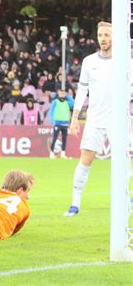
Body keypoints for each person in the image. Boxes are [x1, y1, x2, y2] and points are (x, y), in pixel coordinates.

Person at [64, 22, 112, 217]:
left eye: (107, 35)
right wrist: (75, 118)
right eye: (100, 34)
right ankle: (75, 204)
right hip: (94, 119)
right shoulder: (89, 61)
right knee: (85, 159)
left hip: (118, 119)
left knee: (124, 160)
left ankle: (128, 197)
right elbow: (82, 90)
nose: (103, 38)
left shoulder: (126, 61)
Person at [48, 89, 74, 159]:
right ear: (58, 93)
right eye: (61, 93)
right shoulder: (55, 102)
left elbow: (73, 103)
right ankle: (51, 153)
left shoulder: (67, 102)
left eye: (63, 93)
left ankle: (63, 154)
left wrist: (68, 95)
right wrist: (52, 120)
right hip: (57, 122)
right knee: (54, 138)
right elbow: (51, 111)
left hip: (65, 123)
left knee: (64, 139)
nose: (62, 94)